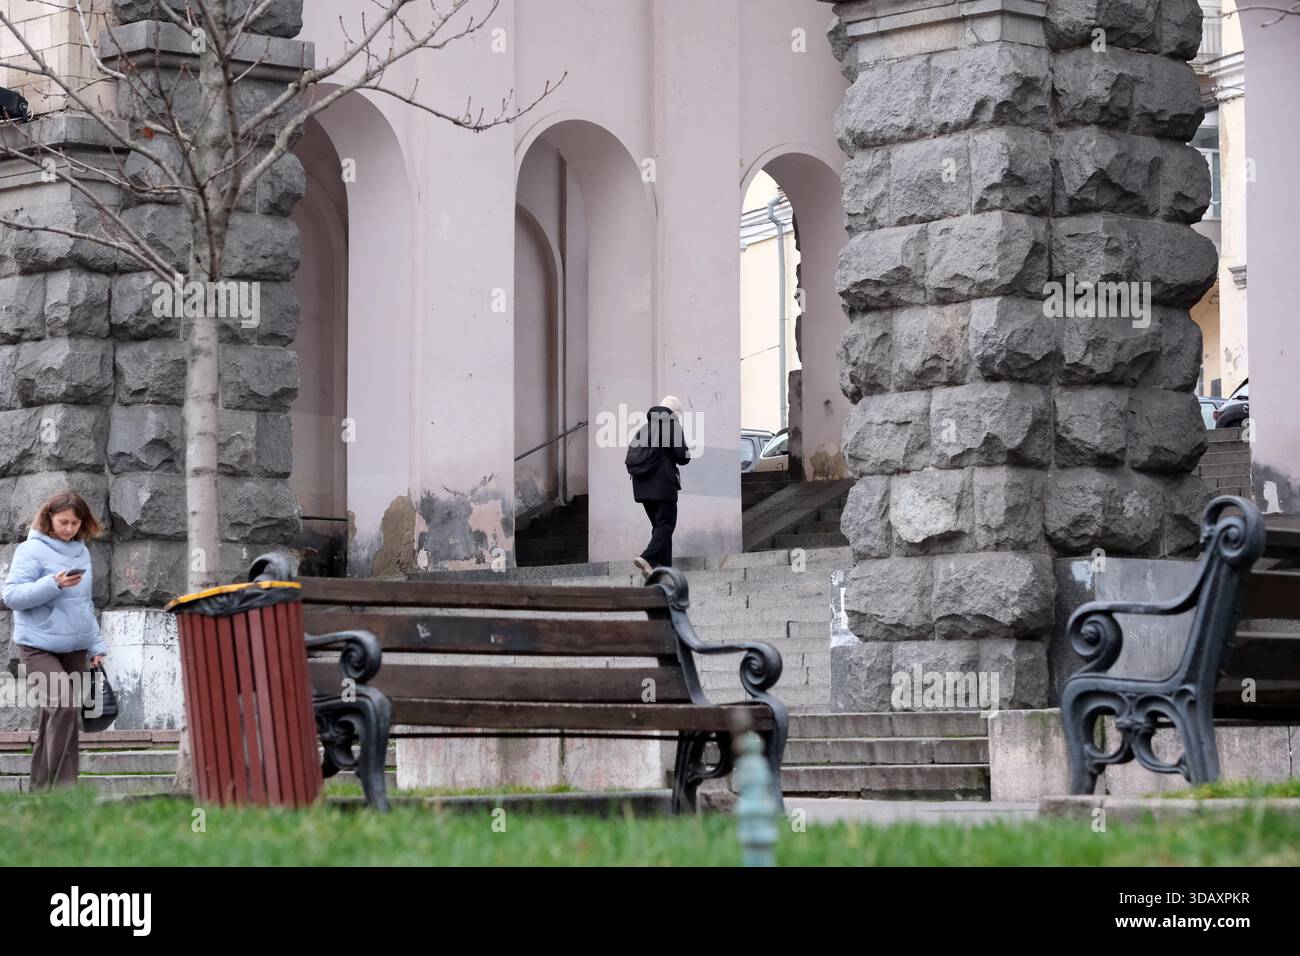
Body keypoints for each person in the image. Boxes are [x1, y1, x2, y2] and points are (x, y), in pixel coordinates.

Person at [2, 491, 107, 791]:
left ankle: (42, 790)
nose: (69, 528)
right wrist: (54, 584)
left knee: (57, 716)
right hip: (37, 645)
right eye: (63, 522)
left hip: (75, 645)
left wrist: (96, 646)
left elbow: (84, 604)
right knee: (63, 707)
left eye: (75, 523)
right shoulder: (30, 550)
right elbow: (12, 597)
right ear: (48, 518)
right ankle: (62, 788)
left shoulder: (81, 551)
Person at [630, 395, 691, 577]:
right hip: (663, 485)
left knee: (660, 527)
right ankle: (647, 557)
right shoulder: (671, 425)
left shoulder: (644, 428)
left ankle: (661, 568)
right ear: (674, 413)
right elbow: (683, 457)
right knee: (666, 525)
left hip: (641, 487)